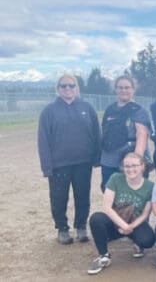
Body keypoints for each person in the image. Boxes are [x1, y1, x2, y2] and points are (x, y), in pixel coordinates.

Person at [38, 74, 101, 245]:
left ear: (77, 88)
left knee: (82, 196)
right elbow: (43, 140)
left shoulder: (87, 108)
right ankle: (62, 228)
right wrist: (47, 166)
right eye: (64, 86)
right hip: (59, 165)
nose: (68, 89)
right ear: (58, 89)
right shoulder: (49, 111)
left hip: (83, 163)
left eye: (71, 85)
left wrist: (96, 157)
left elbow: (96, 133)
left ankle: (80, 226)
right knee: (59, 197)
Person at [87, 153, 155, 275]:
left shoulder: (150, 186)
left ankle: (136, 242)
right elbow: (106, 207)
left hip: (134, 222)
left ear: (142, 166)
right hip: (116, 219)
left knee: (148, 240)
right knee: (96, 218)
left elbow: (145, 214)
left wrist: (131, 227)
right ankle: (104, 255)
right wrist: (123, 226)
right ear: (123, 168)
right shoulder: (115, 178)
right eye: (127, 166)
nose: (130, 169)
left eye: (134, 165)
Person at [100, 75, 152, 191]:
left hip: (128, 156)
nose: (123, 90)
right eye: (120, 87)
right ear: (116, 89)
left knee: (131, 192)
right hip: (109, 158)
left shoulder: (138, 110)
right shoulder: (110, 109)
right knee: (109, 190)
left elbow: (141, 134)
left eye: (127, 88)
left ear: (133, 89)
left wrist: (135, 162)